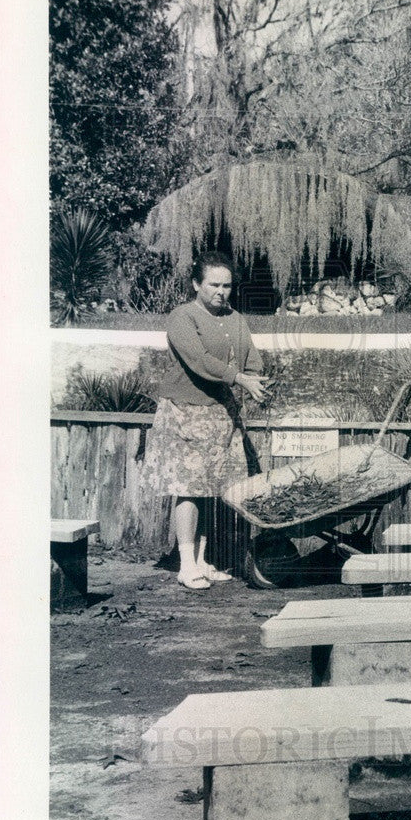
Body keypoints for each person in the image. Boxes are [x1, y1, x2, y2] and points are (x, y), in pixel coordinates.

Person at [142, 251, 269, 589]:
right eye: (214, 284)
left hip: (221, 414)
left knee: (214, 488)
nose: (221, 291)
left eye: (227, 285)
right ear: (196, 283)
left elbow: (251, 361)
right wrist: (240, 379)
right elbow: (199, 360)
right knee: (189, 489)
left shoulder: (237, 320)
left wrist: (257, 379)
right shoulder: (182, 317)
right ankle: (185, 565)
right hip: (186, 412)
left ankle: (202, 560)